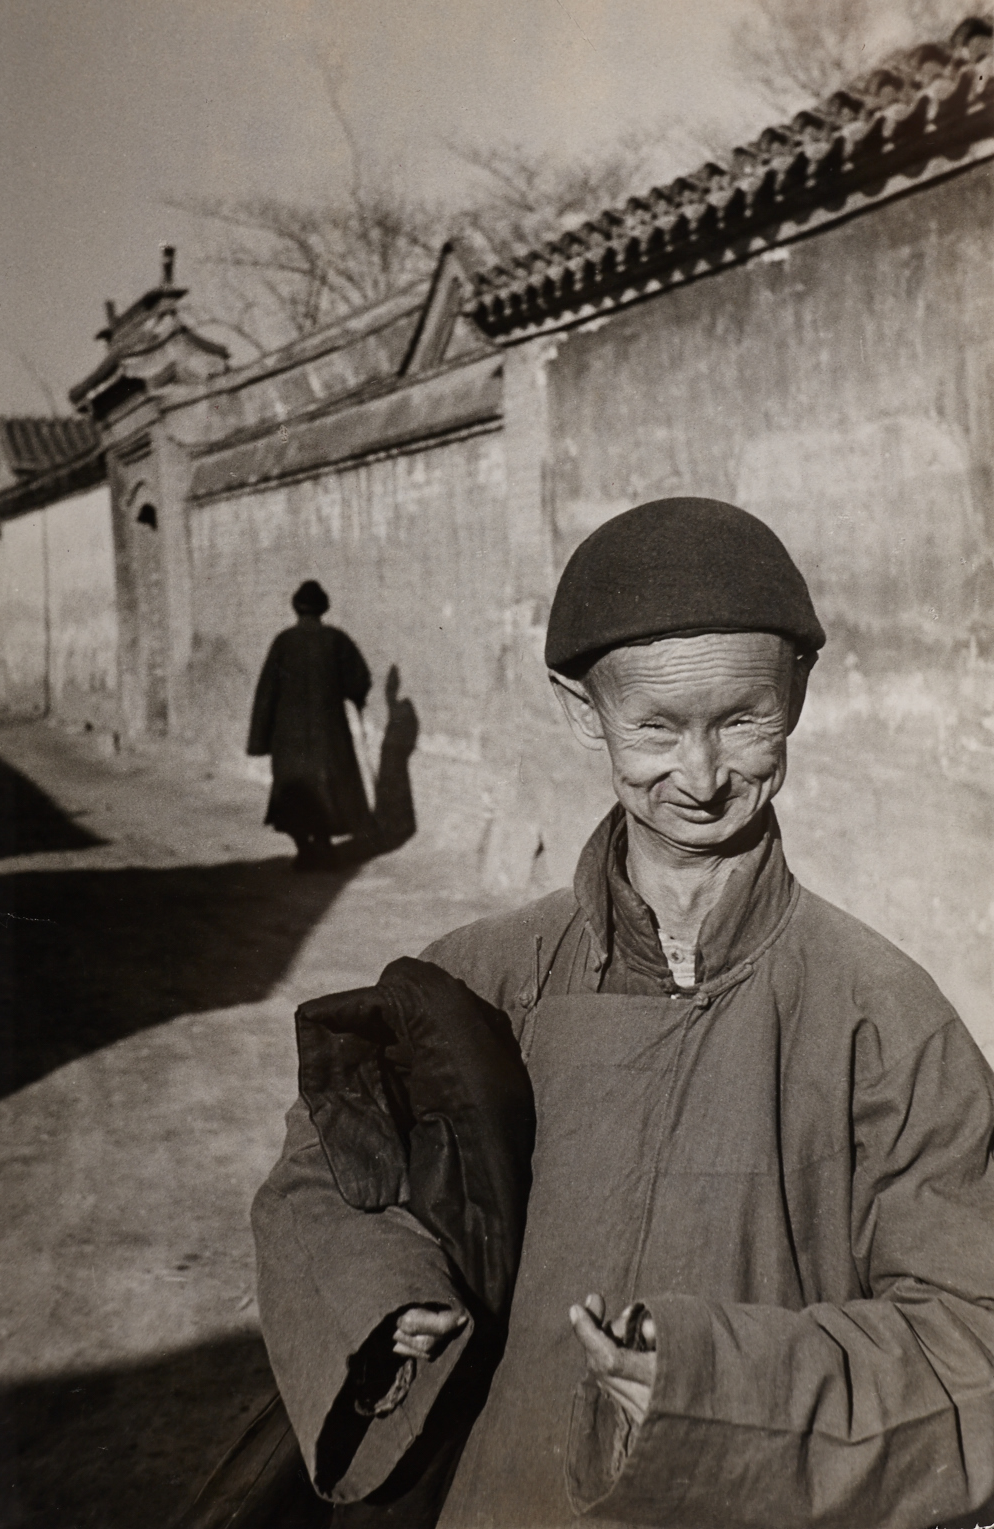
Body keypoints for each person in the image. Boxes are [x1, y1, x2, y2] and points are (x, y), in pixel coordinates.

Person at [252, 501, 994, 1528]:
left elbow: (972, 1333)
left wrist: (716, 1390)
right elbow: (326, 1181)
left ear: (799, 691)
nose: (699, 776)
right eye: (656, 727)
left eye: (741, 718)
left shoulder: (883, 1017)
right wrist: (386, 1287)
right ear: (579, 709)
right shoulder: (477, 979)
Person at [247, 581, 373, 870]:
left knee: (295, 791)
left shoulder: (283, 642)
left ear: (295, 609)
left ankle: (305, 850)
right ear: (323, 609)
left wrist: (259, 740)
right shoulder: (336, 641)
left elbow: (266, 692)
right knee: (327, 788)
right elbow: (359, 680)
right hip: (327, 736)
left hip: (288, 738)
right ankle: (325, 847)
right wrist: (353, 696)